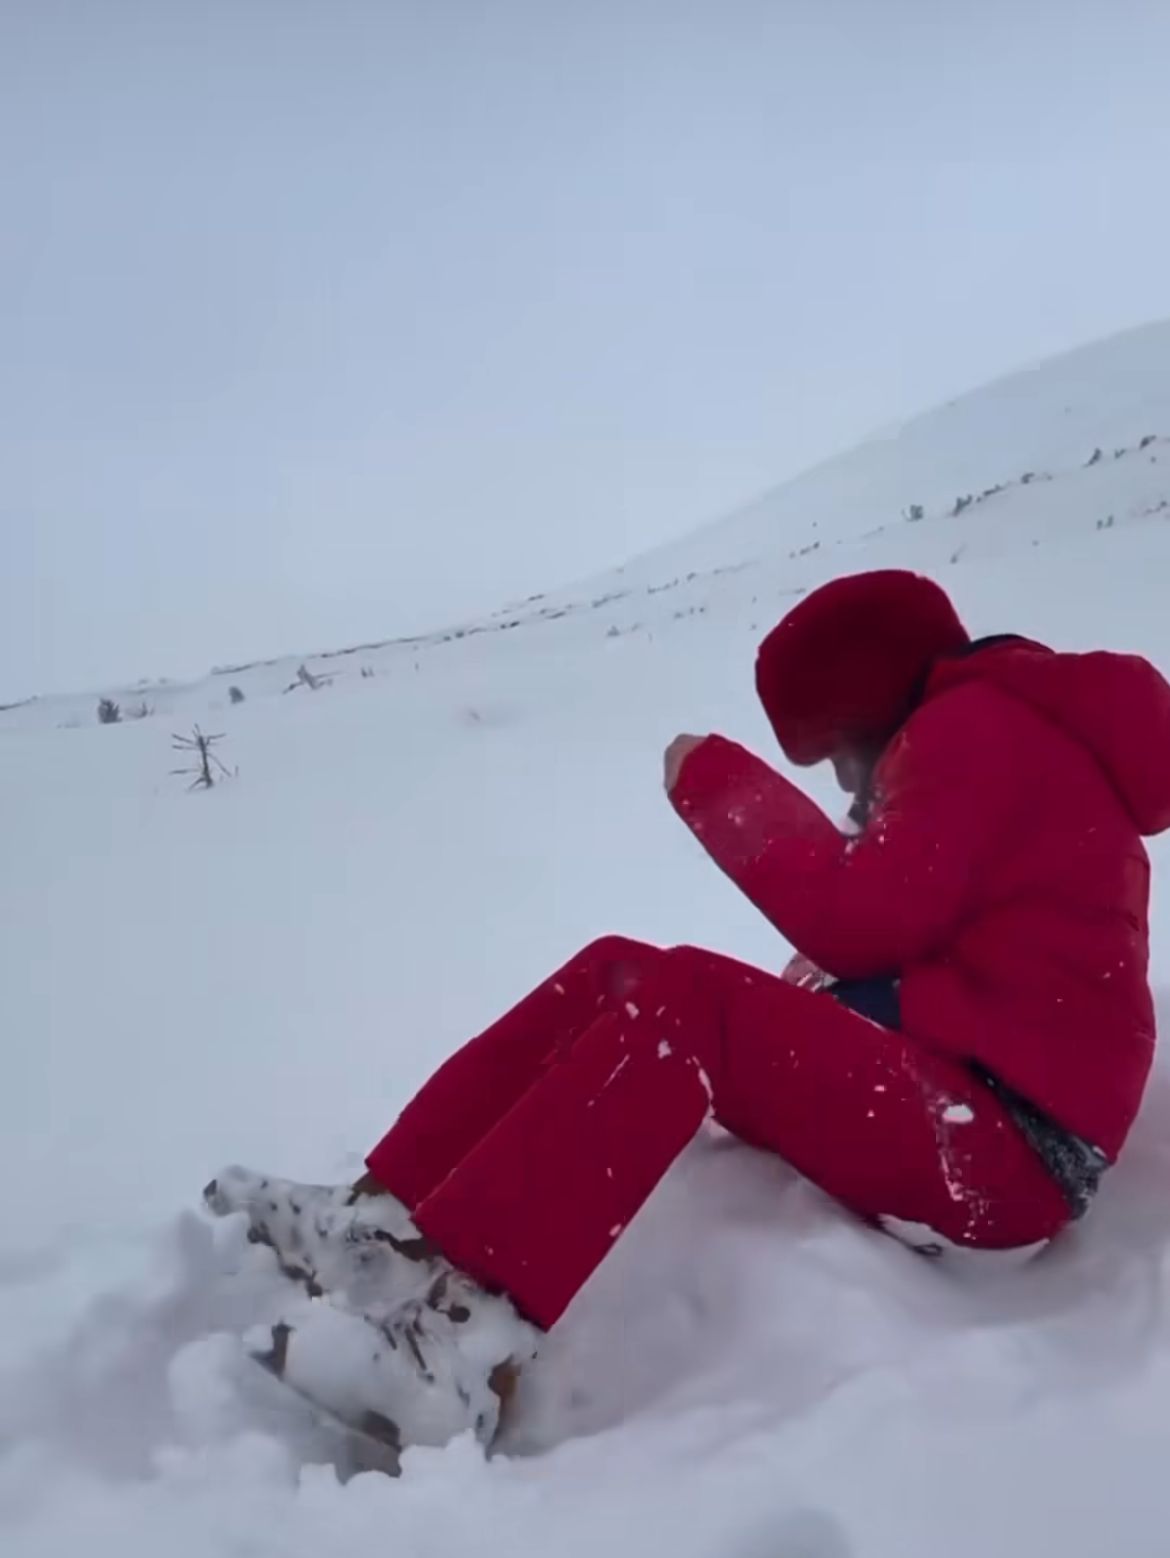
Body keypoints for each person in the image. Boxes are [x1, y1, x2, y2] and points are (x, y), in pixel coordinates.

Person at [206, 568, 1170, 1459]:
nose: (842, 781)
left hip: (1003, 1154)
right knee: (624, 971)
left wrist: (719, 782)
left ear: (875, 698)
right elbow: (948, 947)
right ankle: (383, 1225)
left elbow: (860, 921)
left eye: (837, 746)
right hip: (982, 1118)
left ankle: (455, 1359)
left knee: (688, 1005)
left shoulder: (973, 731)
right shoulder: (1005, 737)